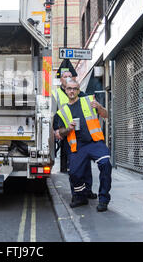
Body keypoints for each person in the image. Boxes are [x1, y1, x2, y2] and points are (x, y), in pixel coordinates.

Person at [56, 79, 112, 212]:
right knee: (74, 174)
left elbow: (106, 115)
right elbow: (60, 132)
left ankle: (103, 199)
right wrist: (69, 128)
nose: (72, 91)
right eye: (69, 88)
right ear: (65, 90)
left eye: (75, 89)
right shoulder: (62, 111)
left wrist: (99, 107)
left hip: (95, 142)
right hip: (78, 146)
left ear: (78, 90)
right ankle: (81, 197)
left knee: (105, 164)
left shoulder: (88, 101)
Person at [52, 61, 96, 199]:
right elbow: (53, 114)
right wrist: (55, 131)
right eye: (65, 76)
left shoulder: (80, 93)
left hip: (83, 135)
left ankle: (87, 190)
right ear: (60, 79)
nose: (68, 78)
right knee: (74, 167)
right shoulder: (56, 94)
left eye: (70, 76)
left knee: (86, 166)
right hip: (67, 134)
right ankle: (77, 193)